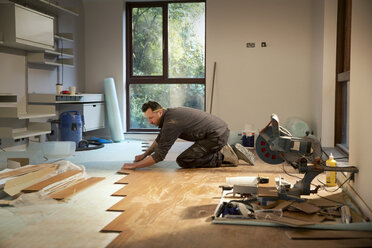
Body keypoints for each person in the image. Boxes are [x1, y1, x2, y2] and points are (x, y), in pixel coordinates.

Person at [121, 101, 252, 170]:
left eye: (151, 118)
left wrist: (134, 166)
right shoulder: (169, 116)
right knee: (190, 156)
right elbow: (160, 139)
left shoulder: (171, 122)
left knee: (183, 160)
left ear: (159, 112)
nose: (150, 122)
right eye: (147, 119)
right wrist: (144, 155)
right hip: (217, 132)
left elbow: (160, 156)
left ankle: (224, 156)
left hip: (216, 136)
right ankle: (223, 150)